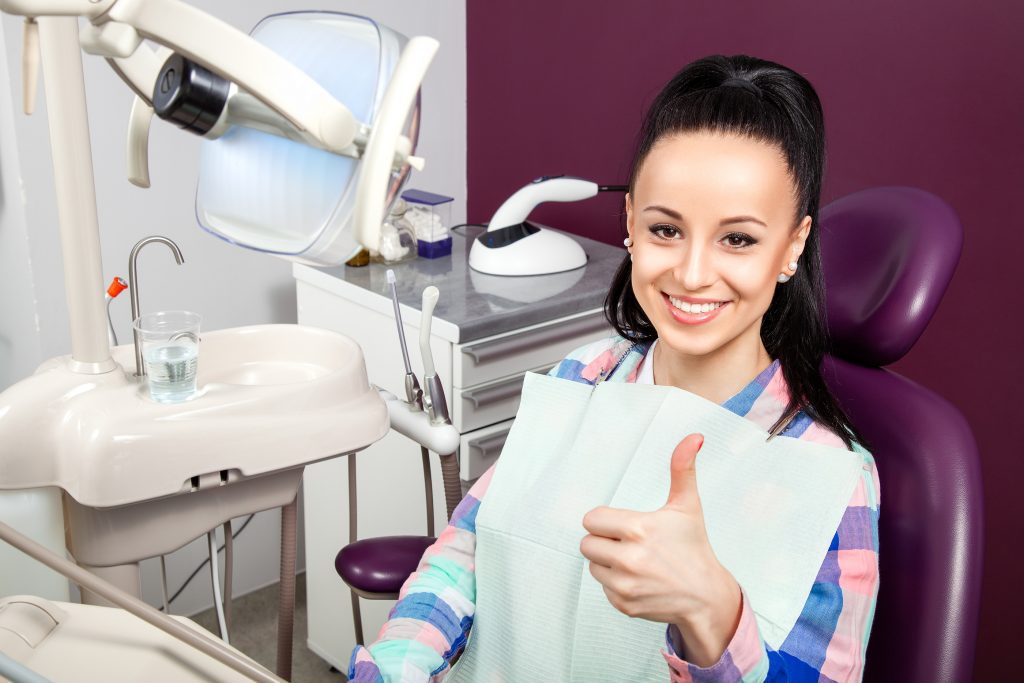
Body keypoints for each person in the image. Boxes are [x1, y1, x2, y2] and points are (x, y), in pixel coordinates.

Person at [349, 54, 879, 682]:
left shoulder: (829, 479)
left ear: (792, 246)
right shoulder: (583, 379)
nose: (691, 274)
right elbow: (466, 553)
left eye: (737, 238)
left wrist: (715, 619)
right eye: (666, 230)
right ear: (630, 222)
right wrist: (394, 669)